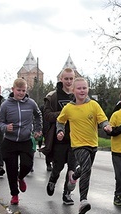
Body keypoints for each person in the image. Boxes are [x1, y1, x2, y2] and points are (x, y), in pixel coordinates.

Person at [56, 77, 112, 214]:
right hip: (78, 145)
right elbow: (60, 121)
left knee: (85, 168)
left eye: (84, 88)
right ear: (73, 90)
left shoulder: (94, 105)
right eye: (79, 88)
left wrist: (106, 126)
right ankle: (83, 201)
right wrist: (60, 131)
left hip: (92, 144)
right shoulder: (69, 108)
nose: (82, 90)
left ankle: (74, 176)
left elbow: (102, 119)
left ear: (88, 89)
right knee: (87, 168)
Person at [0, 78, 42, 205]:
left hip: (25, 140)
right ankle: (14, 195)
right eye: (19, 90)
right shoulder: (6, 105)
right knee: (11, 169)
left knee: (27, 165)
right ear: (13, 90)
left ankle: (20, 177)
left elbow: (38, 115)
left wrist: (38, 129)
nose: (21, 93)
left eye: (23, 90)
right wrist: (6, 127)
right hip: (10, 141)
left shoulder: (31, 103)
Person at [44, 68, 78, 205]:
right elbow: (47, 116)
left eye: (71, 79)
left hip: (75, 138)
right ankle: (53, 179)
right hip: (59, 138)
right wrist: (64, 114)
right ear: (61, 79)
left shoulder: (78, 95)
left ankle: (67, 193)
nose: (69, 81)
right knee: (58, 167)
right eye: (66, 79)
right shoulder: (53, 96)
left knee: (72, 168)